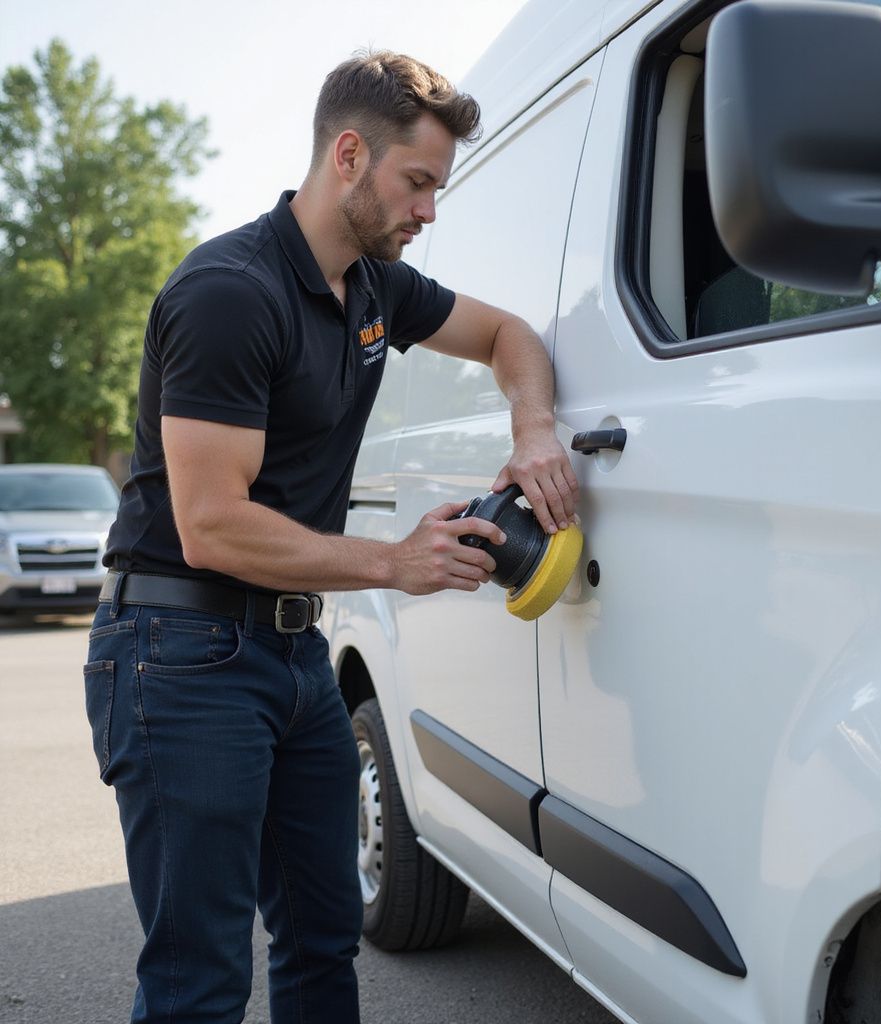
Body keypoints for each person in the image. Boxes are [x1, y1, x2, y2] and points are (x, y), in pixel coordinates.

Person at [83, 50, 578, 1024]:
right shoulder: (230, 291)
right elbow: (212, 524)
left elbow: (509, 336)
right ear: (348, 154)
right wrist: (395, 562)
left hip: (292, 651)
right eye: (418, 183)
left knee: (322, 941)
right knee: (199, 980)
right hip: (179, 657)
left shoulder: (375, 289)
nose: (430, 211)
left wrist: (533, 432)